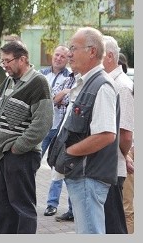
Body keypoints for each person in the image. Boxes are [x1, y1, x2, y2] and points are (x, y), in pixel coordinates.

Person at [48, 27, 119, 234]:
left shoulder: (102, 86)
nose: (69, 53)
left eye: (73, 48)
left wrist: (69, 152)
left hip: (88, 176)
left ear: (91, 51)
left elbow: (106, 135)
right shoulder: (87, 83)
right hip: (82, 174)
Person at [0, 41, 52, 233]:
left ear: (22, 59)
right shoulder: (8, 80)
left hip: (20, 156)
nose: (4, 64)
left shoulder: (38, 82)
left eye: (8, 60)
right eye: (2, 60)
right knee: (3, 208)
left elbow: (43, 122)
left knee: (23, 208)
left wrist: (18, 147)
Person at [39, 45, 75, 219]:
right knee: (32, 163)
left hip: (59, 128)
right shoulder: (42, 74)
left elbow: (68, 99)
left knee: (60, 166)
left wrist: (58, 97)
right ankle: (27, 200)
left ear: (67, 59)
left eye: (63, 56)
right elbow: (43, 100)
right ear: (52, 55)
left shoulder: (71, 77)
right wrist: (58, 96)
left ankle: (53, 204)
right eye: (57, 54)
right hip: (42, 127)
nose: (59, 58)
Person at [102, 36, 132, 234]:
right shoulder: (110, 83)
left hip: (116, 162)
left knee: (118, 219)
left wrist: (125, 155)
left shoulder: (120, 86)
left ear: (110, 57)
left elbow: (125, 134)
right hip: (114, 160)